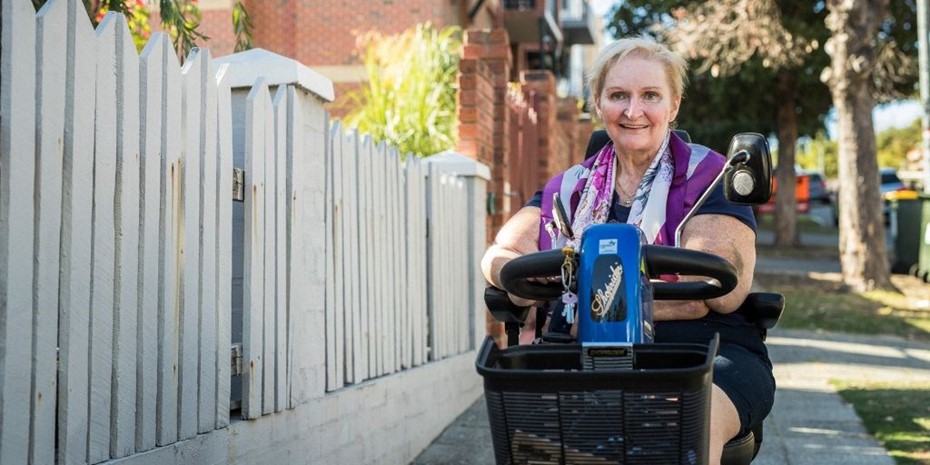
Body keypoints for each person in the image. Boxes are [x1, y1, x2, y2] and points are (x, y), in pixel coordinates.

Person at [480, 35, 775, 464]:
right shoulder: (570, 187)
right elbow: (499, 254)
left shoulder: (710, 176)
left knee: (688, 419)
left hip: (703, 351)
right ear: (599, 105)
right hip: (577, 352)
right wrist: (518, 275)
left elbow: (717, 286)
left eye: (650, 95)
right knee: (532, 427)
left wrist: (585, 303)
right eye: (618, 95)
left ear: (673, 105)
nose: (633, 111)